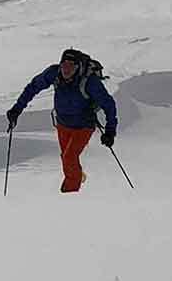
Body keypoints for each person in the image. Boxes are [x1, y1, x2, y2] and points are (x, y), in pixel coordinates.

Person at [6, 48, 117, 193]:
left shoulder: (89, 82)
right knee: (66, 158)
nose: (66, 69)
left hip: (84, 126)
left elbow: (108, 104)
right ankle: (77, 176)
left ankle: (70, 196)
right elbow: (33, 88)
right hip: (63, 124)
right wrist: (16, 110)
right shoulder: (54, 73)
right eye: (64, 65)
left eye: (71, 66)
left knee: (69, 157)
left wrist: (110, 131)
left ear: (78, 67)